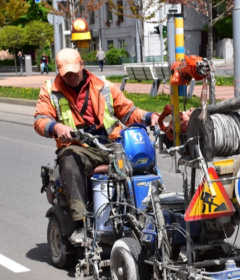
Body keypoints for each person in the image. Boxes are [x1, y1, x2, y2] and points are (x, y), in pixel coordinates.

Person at [34, 48, 159, 242]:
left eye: (74, 72)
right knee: (69, 162)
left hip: (110, 143)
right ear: (59, 71)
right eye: (66, 74)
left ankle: (149, 214)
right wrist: (55, 126)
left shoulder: (103, 86)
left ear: (82, 65)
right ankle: (80, 223)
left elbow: (128, 111)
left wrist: (149, 117)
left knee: (143, 159)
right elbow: (40, 120)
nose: (71, 77)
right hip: (78, 147)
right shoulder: (49, 90)